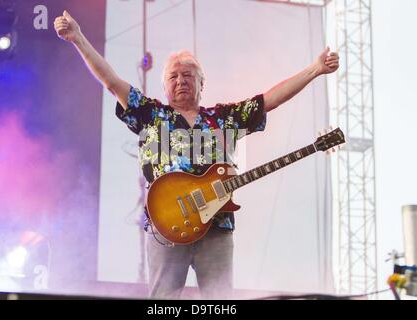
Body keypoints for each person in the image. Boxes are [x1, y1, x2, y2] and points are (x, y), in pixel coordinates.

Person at [54, 10, 339, 300]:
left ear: (202, 84)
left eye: (188, 76)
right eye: (173, 77)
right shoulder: (152, 114)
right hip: (166, 224)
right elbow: (111, 82)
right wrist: (78, 39)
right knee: (163, 302)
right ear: (164, 86)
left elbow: (270, 99)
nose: (181, 81)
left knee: (221, 301)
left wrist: (315, 69)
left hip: (216, 227)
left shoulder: (224, 117)